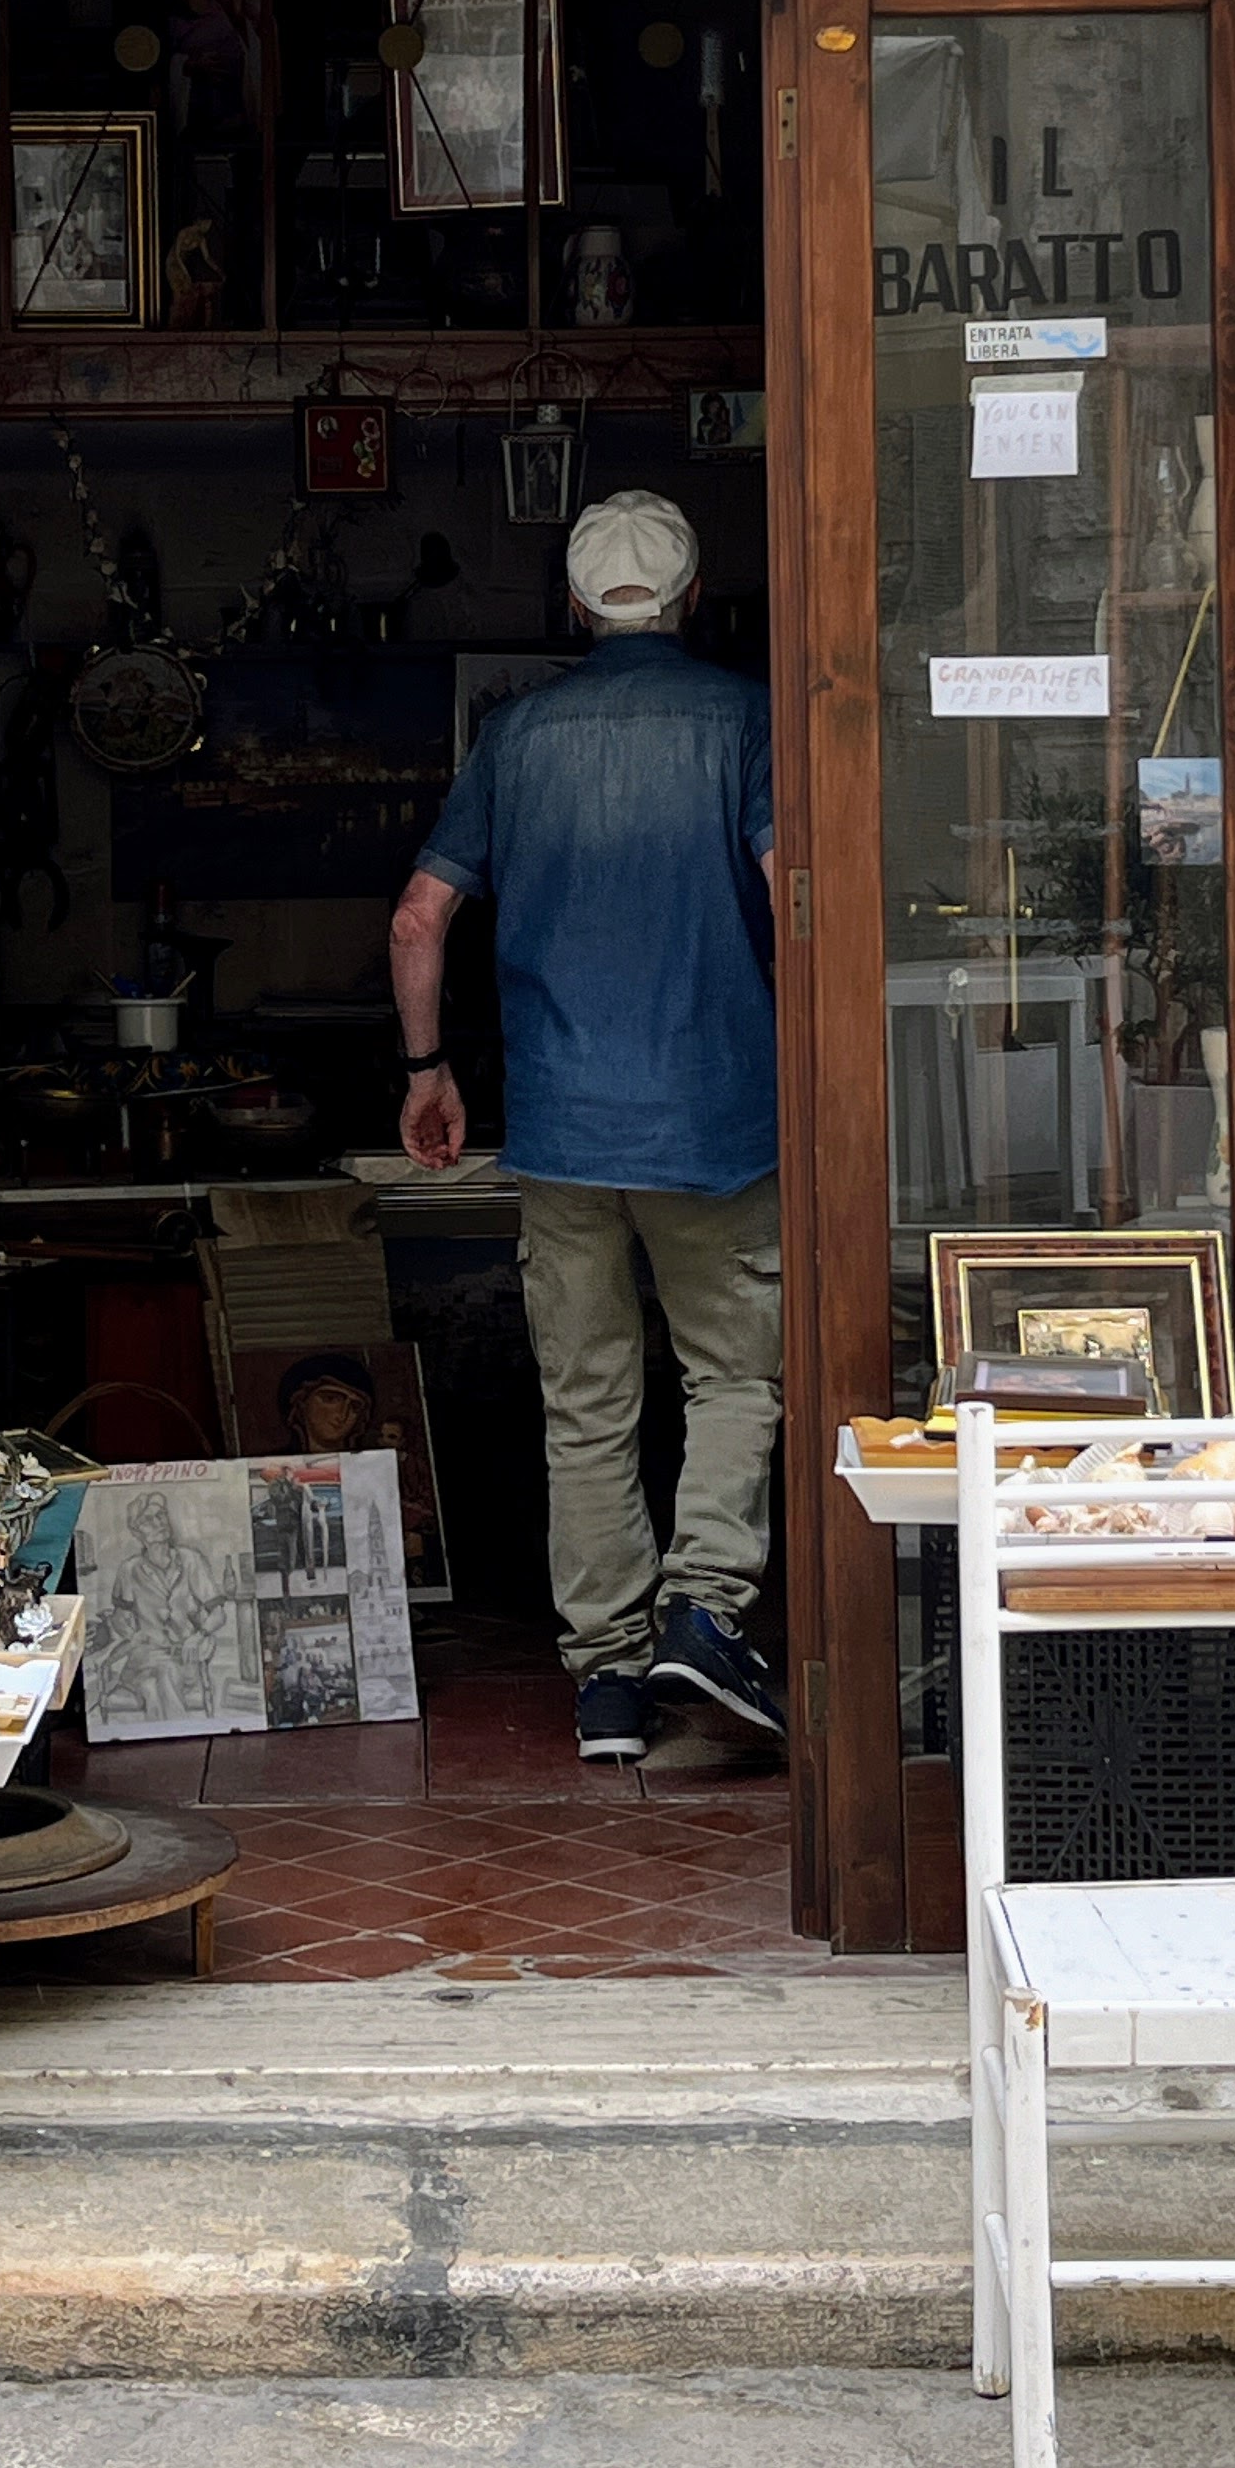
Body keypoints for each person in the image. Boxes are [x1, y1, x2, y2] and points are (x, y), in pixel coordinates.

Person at [389, 489, 782, 1764]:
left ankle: (607, 1680)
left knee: (588, 1404)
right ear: (693, 594)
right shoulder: (744, 718)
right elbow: (793, 892)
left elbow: (417, 920)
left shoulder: (517, 735)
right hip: (720, 1123)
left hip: (563, 1131)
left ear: (571, 604)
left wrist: (429, 1070)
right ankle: (705, 1611)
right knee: (735, 1375)